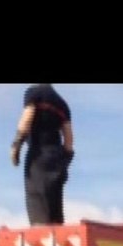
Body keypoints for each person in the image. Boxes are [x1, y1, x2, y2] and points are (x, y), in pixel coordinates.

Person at [10, 83, 74, 226]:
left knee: (37, 199)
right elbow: (69, 140)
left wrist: (16, 144)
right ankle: (58, 234)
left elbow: (27, 117)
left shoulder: (34, 92)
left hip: (38, 154)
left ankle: (42, 236)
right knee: (55, 203)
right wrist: (65, 162)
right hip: (57, 155)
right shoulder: (62, 103)